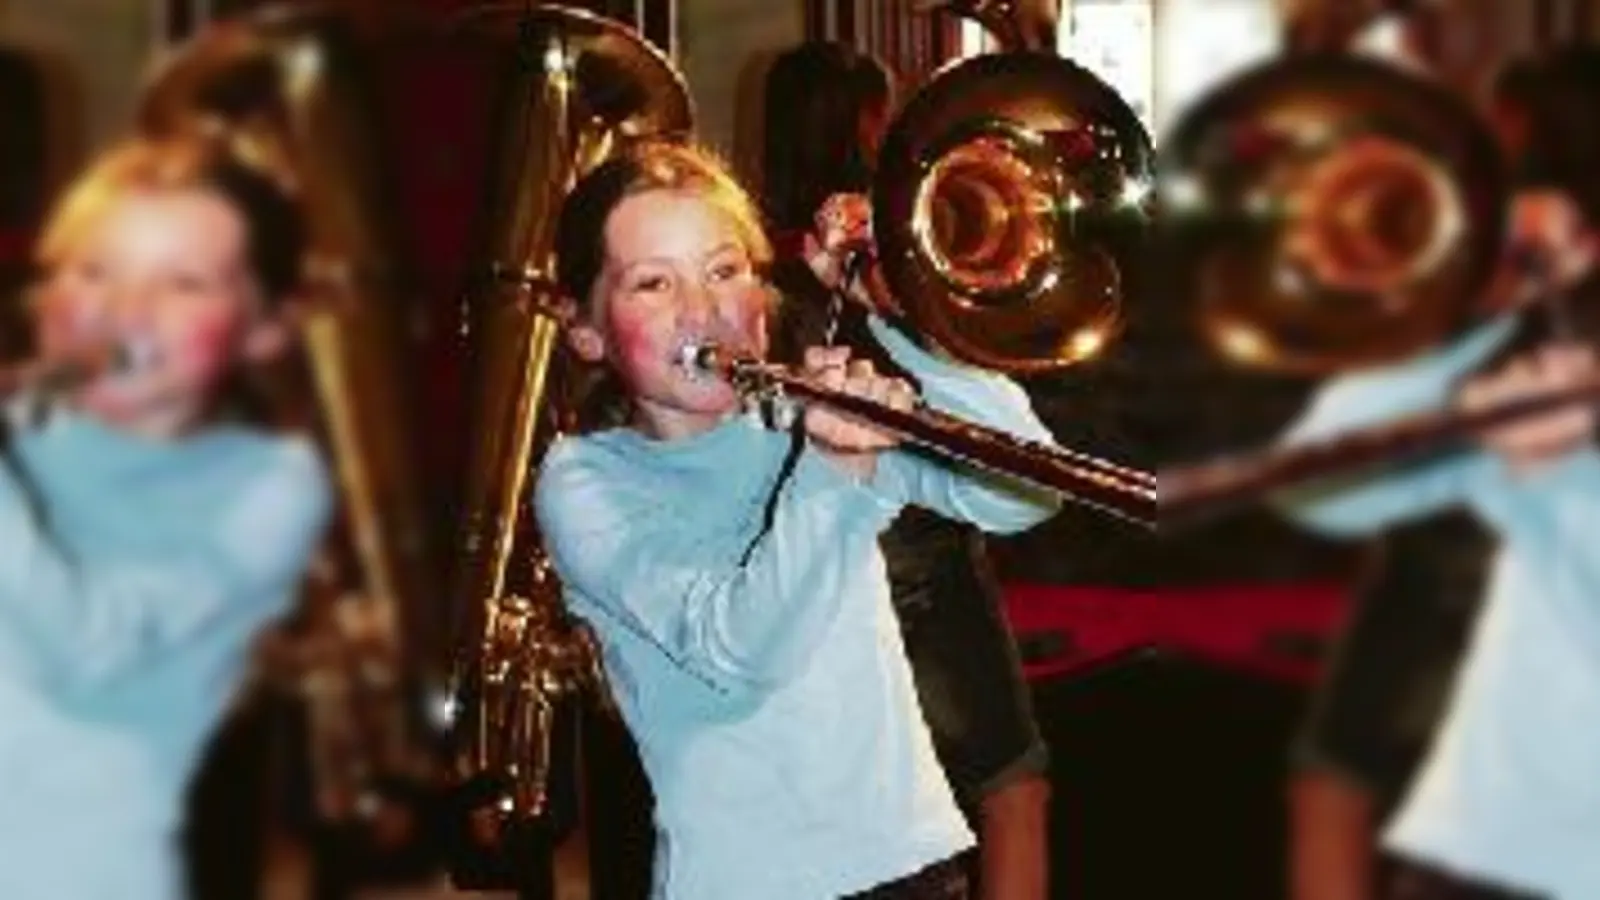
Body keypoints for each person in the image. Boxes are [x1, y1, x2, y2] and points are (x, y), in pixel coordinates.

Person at [531, 138, 1060, 899]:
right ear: (585, 328)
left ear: (761, 288)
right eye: (653, 284)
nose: (704, 312)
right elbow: (740, 649)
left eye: (724, 270)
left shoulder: (804, 417)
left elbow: (1024, 494)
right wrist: (837, 470)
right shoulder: (587, 479)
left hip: (914, 868)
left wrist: (910, 325)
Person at [1272, 46, 1600, 898]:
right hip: (1491, 833)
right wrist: (1489, 314)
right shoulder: (1517, 352)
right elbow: (1318, 486)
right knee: (1334, 768)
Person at [0, 133, 333, 898]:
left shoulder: (269, 485)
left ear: (266, 328)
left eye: (182, 283)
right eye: (91, 272)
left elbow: (90, 648)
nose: (121, 315)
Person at [761, 40, 1053, 900]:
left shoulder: (763, 253)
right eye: (880, 110)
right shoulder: (875, 239)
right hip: (916, 558)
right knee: (1011, 790)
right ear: (863, 120)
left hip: (834, 559)